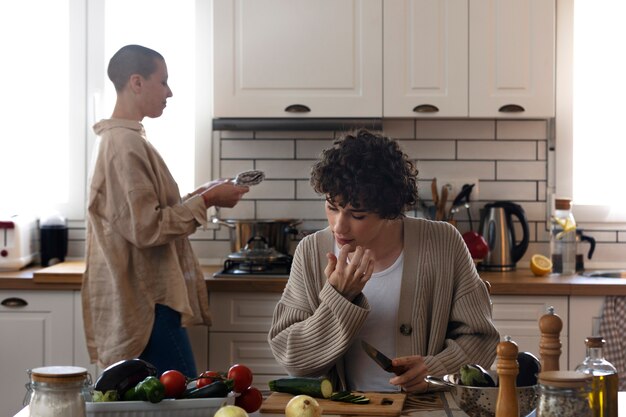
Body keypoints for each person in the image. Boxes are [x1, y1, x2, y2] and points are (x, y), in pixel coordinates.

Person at [268, 129, 499, 393]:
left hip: (423, 411)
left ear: (389, 211)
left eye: (358, 215)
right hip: (344, 412)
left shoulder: (443, 242)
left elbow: (482, 340)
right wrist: (340, 297)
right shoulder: (311, 251)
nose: (338, 226)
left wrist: (436, 369)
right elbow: (292, 359)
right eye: (332, 207)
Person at [82, 44, 249, 377]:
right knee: (185, 405)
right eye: (163, 81)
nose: (169, 92)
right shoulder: (123, 145)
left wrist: (202, 194)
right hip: (149, 306)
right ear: (137, 82)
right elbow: (148, 229)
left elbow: (142, 215)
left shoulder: (127, 140)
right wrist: (208, 200)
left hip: (148, 301)